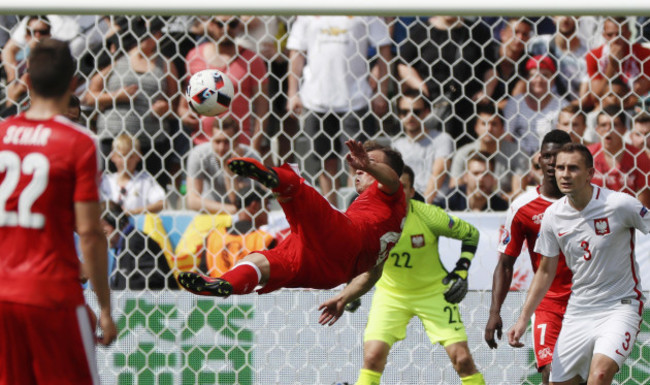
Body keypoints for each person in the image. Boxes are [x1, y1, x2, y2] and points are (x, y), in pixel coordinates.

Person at [0, 38, 116, 384]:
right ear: (72, 82)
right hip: (52, 296)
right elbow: (92, 234)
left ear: (29, 82)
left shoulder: (2, 134)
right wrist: (106, 309)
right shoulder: (79, 143)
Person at [177, 140, 406, 300]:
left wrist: (370, 166)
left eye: (370, 162)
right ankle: (225, 284)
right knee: (269, 260)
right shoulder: (391, 215)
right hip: (332, 273)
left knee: (303, 194)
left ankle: (271, 176)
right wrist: (344, 298)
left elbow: (393, 180)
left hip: (346, 239)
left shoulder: (391, 192)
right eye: (362, 163)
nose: (359, 167)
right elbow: (374, 274)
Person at [508, 143, 647, 385]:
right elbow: (545, 271)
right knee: (555, 381)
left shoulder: (620, 204)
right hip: (579, 311)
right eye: (560, 168)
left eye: (573, 168)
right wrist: (522, 320)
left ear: (590, 174)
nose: (564, 174)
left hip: (620, 306)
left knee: (600, 375)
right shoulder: (553, 215)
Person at [343, 165, 486, 385]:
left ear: (411, 191)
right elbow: (358, 253)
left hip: (434, 293)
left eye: (403, 187)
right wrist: (352, 285)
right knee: (372, 357)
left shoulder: (428, 215)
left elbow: (471, 234)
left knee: (462, 359)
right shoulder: (368, 218)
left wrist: (461, 271)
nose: (396, 191)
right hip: (391, 294)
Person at [485, 129, 573, 385]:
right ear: (539, 158)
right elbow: (504, 264)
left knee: (587, 376)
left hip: (587, 299)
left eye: (559, 156)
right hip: (548, 302)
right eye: (547, 156)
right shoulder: (523, 206)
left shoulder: (589, 202)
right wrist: (494, 312)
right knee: (551, 373)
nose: (553, 163)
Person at [286, 16, 392, 206]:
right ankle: (332, 211)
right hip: (316, 99)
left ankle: (357, 209)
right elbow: (297, 53)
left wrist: (381, 92)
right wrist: (292, 93)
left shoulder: (364, 10)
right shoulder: (308, 12)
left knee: (359, 163)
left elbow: (384, 47)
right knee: (325, 161)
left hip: (356, 99)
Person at [83, 16, 179, 187]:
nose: (145, 36)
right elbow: (89, 96)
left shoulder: (166, 65)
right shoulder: (117, 59)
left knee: (150, 194)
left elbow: (175, 106)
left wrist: (165, 108)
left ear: (158, 35)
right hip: (114, 142)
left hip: (151, 143)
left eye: (151, 32)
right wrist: (116, 96)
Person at [396, 16, 498, 143]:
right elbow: (404, 64)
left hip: (468, 107)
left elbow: (490, 68)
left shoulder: (477, 31)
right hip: (434, 105)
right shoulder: (421, 31)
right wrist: (421, 87)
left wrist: (486, 91)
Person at [178, 15, 268, 154]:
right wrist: (184, 114)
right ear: (211, 24)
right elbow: (185, 102)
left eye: (232, 24)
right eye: (220, 24)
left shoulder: (252, 60)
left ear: (239, 25)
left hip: (238, 146)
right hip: (202, 144)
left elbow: (262, 108)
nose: (226, 29)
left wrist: (254, 147)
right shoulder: (194, 56)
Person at [185, 115, 261, 214]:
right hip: (209, 214)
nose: (221, 148)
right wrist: (231, 210)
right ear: (211, 139)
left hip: (242, 219)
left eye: (226, 142)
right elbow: (192, 201)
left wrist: (230, 173)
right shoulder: (199, 155)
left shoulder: (251, 158)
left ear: (236, 141)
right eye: (217, 141)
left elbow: (240, 202)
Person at [450, 104, 528, 197]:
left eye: (494, 124)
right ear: (476, 128)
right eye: (484, 124)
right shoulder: (463, 154)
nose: (489, 129)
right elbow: (455, 191)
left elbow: (518, 194)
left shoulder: (517, 154)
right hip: (469, 208)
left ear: (502, 129)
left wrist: (495, 202)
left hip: (504, 208)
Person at [392, 89, 454, 204]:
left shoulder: (442, 139)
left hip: (436, 204)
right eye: (404, 112)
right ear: (399, 115)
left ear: (426, 112)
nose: (410, 116)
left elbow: (438, 175)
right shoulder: (397, 145)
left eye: (416, 112)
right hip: (405, 204)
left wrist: (421, 208)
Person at [203, 184, 276, 277]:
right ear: (255, 206)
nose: (268, 210)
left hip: (217, 289)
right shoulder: (265, 239)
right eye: (267, 204)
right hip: (250, 291)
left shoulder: (214, 236)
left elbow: (203, 273)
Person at [102, 201, 177, 290]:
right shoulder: (123, 245)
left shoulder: (136, 242)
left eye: (104, 232)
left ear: (117, 222)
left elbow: (152, 278)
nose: (102, 238)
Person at [504, 55, 569, 156]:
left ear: (553, 78)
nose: (539, 80)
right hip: (518, 158)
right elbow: (507, 137)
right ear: (527, 79)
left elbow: (565, 138)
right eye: (534, 75)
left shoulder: (562, 105)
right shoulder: (515, 103)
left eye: (545, 75)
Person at [588, 105, 650, 207]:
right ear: (597, 129)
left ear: (624, 130)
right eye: (603, 125)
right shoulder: (587, 155)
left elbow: (644, 205)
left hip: (628, 218)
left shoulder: (639, 157)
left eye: (614, 125)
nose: (608, 129)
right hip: (594, 215)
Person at [584, 17, 650, 110]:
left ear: (628, 34)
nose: (615, 39)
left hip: (635, 107)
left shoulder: (645, 54)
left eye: (619, 34)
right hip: (607, 108)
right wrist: (612, 65)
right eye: (610, 35)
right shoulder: (593, 56)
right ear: (604, 35)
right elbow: (596, 96)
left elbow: (637, 95)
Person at [526, 16, 590, 103]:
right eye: (561, 13)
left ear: (578, 18)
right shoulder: (538, 44)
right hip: (538, 106)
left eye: (571, 14)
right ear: (553, 18)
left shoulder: (587, 55)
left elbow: (584, 99)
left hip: (569, 110)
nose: (565, 19)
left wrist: (563, 110)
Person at [100, 133, 166, 215]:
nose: (126, 160)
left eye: (130, 156)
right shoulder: (106, 181)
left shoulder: (145, 180)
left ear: (138, 156)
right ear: (112, 156)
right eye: (121, 156)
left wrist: (134, 212)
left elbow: (162, 203)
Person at [443, 152, 509, 212]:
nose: (481, 178)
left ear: (493, 179)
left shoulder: (501, 208)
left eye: (486, 174)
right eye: (476, 173)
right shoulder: (452, 199)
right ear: (465, 177)